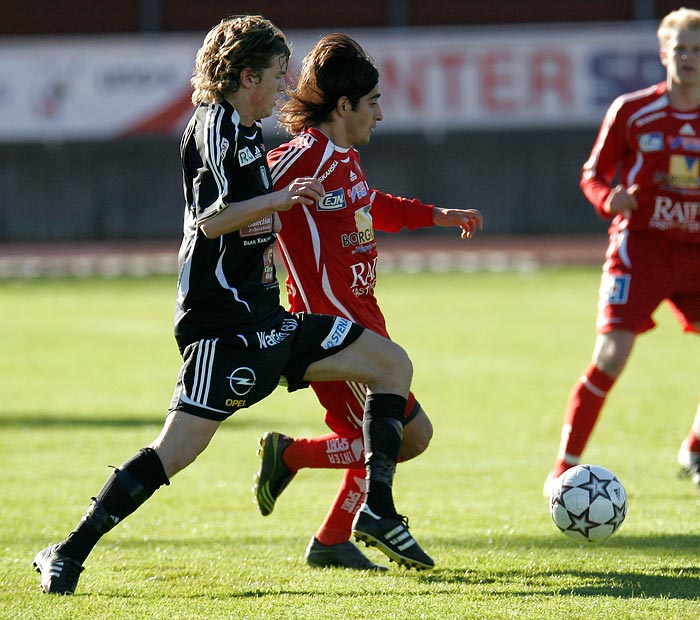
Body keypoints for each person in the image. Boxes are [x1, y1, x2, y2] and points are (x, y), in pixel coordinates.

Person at [32, 15, 433, 595]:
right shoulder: (212, 127)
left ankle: (377, 511)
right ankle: (67, 552)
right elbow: (213, 219)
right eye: (275, 75)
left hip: (270, 320)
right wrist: (283, 198)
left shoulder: (246, 131)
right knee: (174, 452)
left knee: (391, 365)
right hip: (222, 327)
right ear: (247, 77)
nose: (283, 88)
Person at [252, 34, 483, 570]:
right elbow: (242, 196)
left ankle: (330, 537)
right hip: (331, 335)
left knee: (392, 435)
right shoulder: (303, 156)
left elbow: (367, 204)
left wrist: (434, 215)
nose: (380, 113)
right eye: (373, 102)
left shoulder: (343, 159)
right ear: (343, 106)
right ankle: (297, 462)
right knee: (400, 438)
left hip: (364, 323)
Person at [543, 7, 700, 495]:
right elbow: (593, 175)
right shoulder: (632, 111)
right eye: (681, 50)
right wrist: (607, 199)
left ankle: (694, 449)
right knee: (611, 356)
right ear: (663, 54)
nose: (689, 58)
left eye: (698, 51)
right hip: (642, 249)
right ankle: (562, 471)